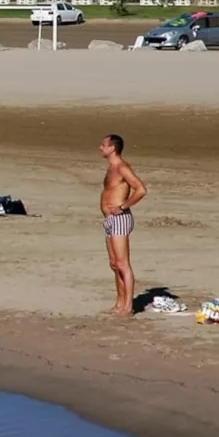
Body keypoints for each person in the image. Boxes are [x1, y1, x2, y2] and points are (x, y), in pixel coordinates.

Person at [99, 133, 148, 316]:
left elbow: (141, 189)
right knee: (114, 264)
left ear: (112, 148)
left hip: (120, 218)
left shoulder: (121, 167)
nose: (100, 148)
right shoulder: (111, 167)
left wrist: (123, 206)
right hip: (110, 220)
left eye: (103, 145)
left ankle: (128, 306)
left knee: (123, 263)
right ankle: (119, 303)